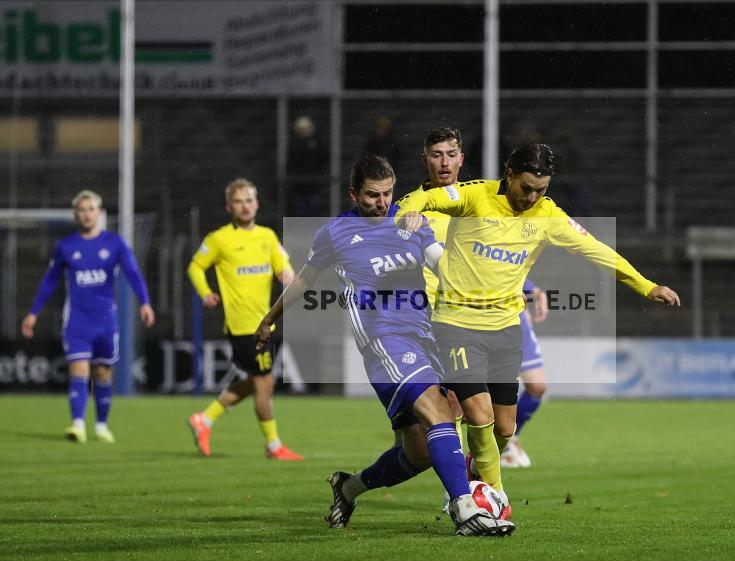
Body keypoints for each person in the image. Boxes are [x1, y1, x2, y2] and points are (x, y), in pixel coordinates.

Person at [395, 143, 681, 513]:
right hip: (456, 323)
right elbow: (426, 198)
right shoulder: (476, 195)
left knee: (504, 429)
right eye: (526, 187)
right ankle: (495, 498)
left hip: (505, 329)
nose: (531, 197)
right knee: (478, 416)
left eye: (541, 190)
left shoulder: (547, 216)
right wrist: (409, 214)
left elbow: (595, 249)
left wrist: (647, 286)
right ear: (509, 174)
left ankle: (474, 471)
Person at [254, 155, 514, 536]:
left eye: (388, 193)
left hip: (427, 336)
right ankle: (465, 510)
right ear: (353, 193)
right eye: (373, 195)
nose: (382, 202)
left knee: (420, 453)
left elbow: (440, 262)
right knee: (441, 415)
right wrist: (270, 317)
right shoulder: (335, 232)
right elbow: (305, 281)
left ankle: (349, 486)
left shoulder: (410, 221)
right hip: (383, 341)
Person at [416, 127, 549, 473]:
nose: (444, 163)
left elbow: (500, 251)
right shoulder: (417, 209)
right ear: (425, 159)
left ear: (461, 159)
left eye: (450, 155)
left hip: (500, 312)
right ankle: (462, 490)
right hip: (444, 316)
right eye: (436, 154)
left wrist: (530, 286)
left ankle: (482, 466)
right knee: (458, 406)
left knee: (507, 405)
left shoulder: (478, 201)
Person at [21, 189, 155, 443]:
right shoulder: (66, 246)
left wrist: (145, 303)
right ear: (75, 215)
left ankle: (101, 425)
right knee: (79, 370)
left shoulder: (115, 244)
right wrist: (33, 313)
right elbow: (49, 281)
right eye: (81, 210)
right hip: (77, 321)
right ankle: (77, 425)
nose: (86, 214)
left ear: (99, 213)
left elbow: (133, 274)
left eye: (91, 209)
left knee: (103, 374)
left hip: (105, 322)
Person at [186, 178, 302, 461]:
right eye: (238, 201)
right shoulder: (219, 239)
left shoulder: (267, 237)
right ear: (229, 207)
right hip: (242, 326)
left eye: (249, 200)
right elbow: (195, 266)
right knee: (264, 384)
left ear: (257, 203)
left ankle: (205, 418)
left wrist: (286, 276)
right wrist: (205, 293)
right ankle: (273, 445)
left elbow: (283, 267)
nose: (245, 205)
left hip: (264, 323)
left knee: (257, 382)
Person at [287, 115, 328, 216]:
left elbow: (324, 159)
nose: (304, 132)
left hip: (314, 183)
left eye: (306, 129)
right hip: (299, 184)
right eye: (302, 129)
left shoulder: (317, 144)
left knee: (314, 209)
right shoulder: (294, 145)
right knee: (300, 209)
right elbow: (292, 162)